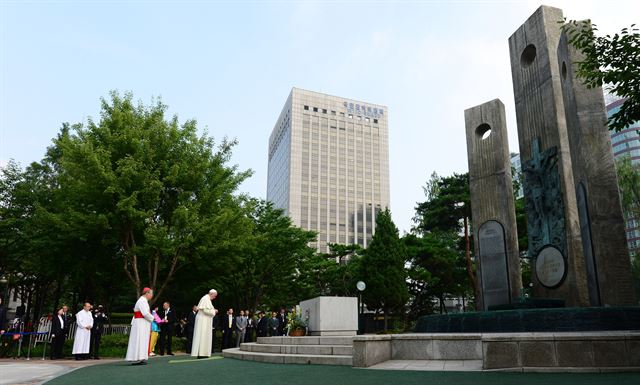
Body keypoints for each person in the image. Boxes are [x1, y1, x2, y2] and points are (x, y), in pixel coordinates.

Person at [125, 287, 155, 365]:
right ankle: (138, 357)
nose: (152, 295)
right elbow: (145, 313)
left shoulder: (143, 301)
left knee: (142, 339)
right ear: (147, 293)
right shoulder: (142, 301)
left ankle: (141, 357)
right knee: (140, 339)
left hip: (142, 323)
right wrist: (153, 318)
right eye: (151, 293)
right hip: (140, 323)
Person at [191, 289, 218, 358]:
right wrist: (214, 311)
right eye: (214, 296)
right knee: (202, 335)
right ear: (211, 294)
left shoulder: (207, 299)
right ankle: (201, 353)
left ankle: (203, 353)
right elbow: (205, 310)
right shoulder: (205, 299)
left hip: (204, 320)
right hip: (203, 320)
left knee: (204, 336)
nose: (214, 298)